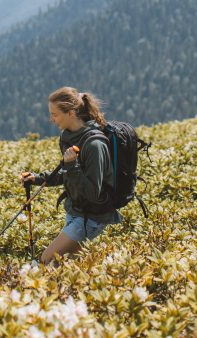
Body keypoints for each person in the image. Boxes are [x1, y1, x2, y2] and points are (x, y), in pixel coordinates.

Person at [19, 87, 122, 265]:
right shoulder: (68, 137)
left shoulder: (95, 145)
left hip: (91, 218)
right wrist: (38, 178)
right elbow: (66, 173)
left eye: (55, 114)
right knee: (65, 266)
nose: (51, 119)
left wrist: (72, 165)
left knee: (46, 260)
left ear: (71, 112)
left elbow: (92, 193)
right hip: (75, 212)